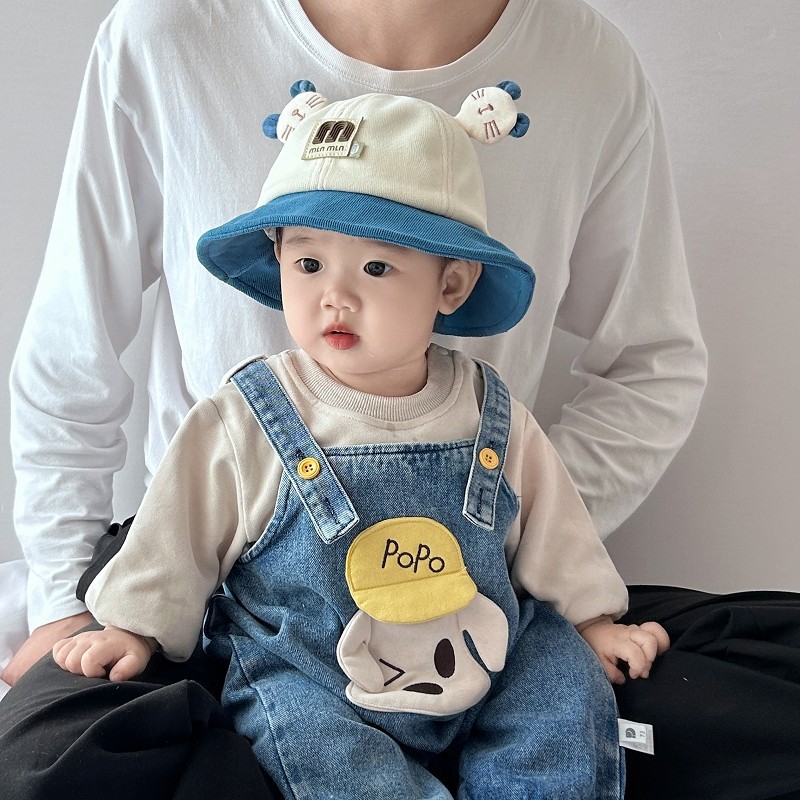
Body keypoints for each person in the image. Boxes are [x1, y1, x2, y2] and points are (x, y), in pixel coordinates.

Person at [9, 2, 790, 800]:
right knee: (194, 753)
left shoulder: (491, 407)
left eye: (377, 269)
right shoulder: (247, 409)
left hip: (480, 616)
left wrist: (565, 596)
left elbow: (561, 502)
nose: (334, 299)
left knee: (578, 697)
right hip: (283, 635)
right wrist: (108, 618)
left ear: (452, 284)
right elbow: (160, 496)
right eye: (307, 265)